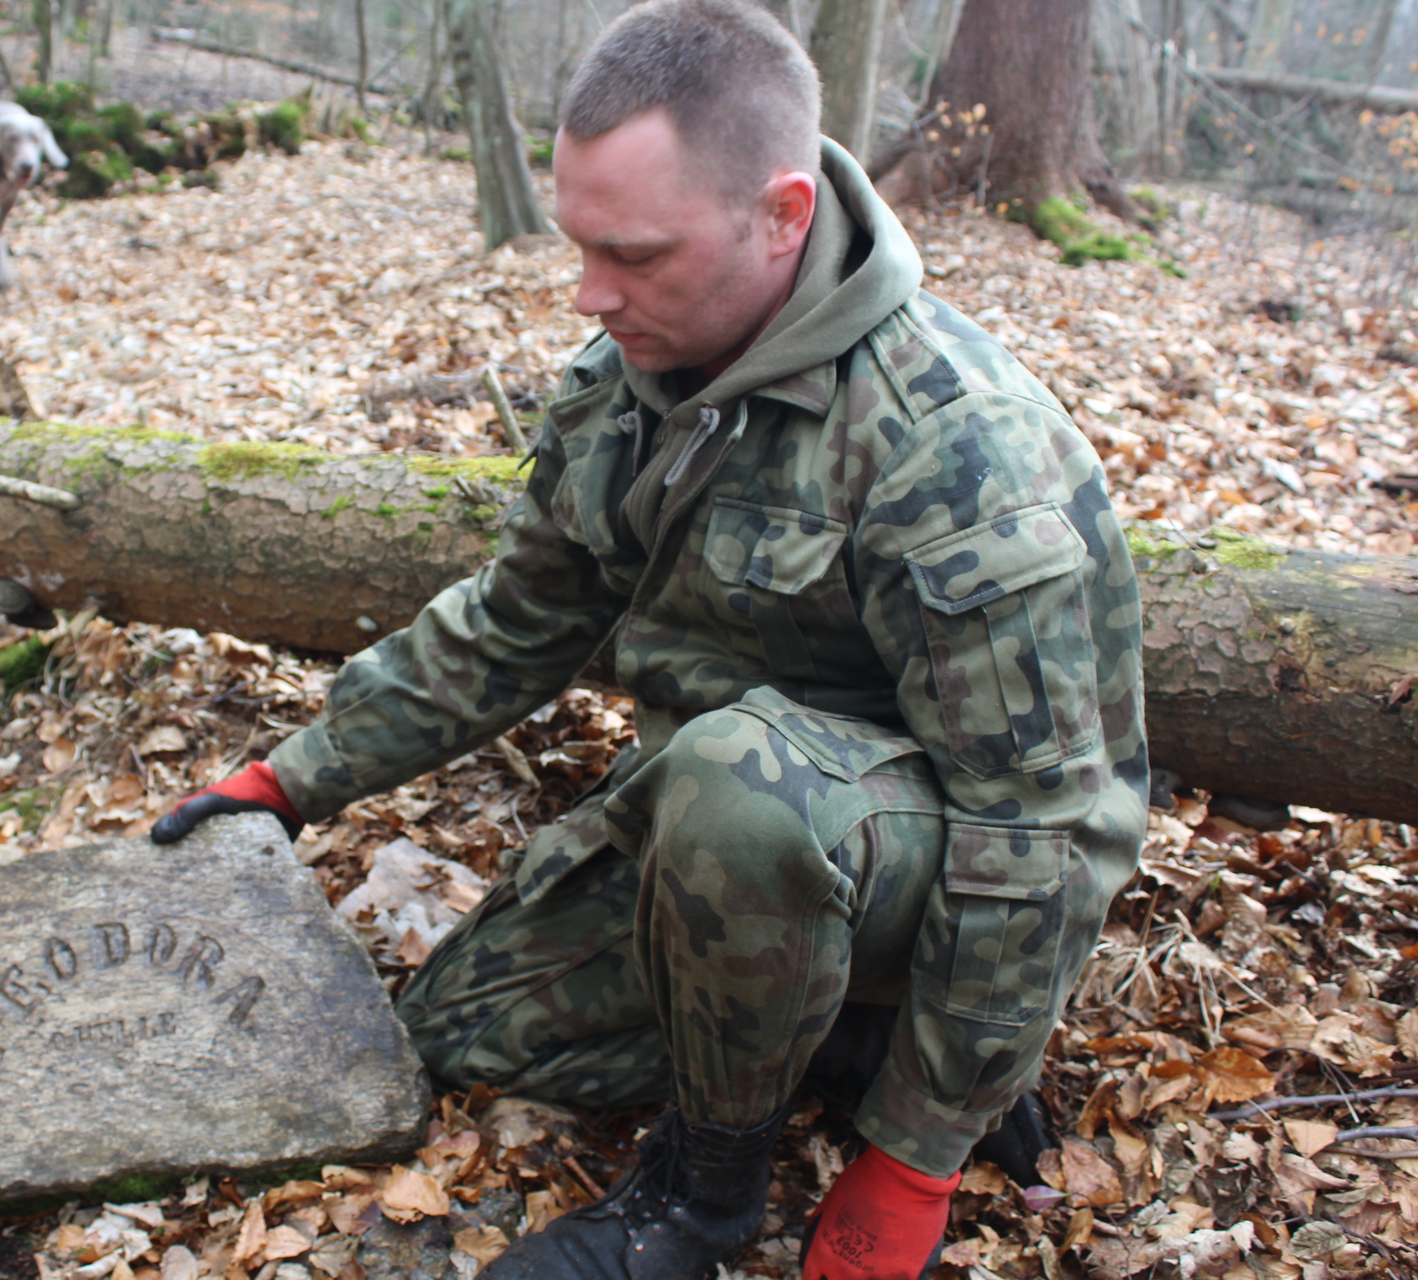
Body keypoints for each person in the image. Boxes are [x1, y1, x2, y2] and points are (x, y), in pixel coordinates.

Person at [150, 0, 1149, 1275]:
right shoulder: (635, 381)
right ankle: (829, 1027)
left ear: (781, 215)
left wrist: (917, 1149)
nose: (591, 294)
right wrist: (292, 774)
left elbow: (1047, 833)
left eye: (633, 254)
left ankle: (705, 1193)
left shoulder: (950, 446)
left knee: (742, 785)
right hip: (731, 835)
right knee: (475, 1030)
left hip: (907, 852)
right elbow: (518, 619)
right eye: (580, 248)